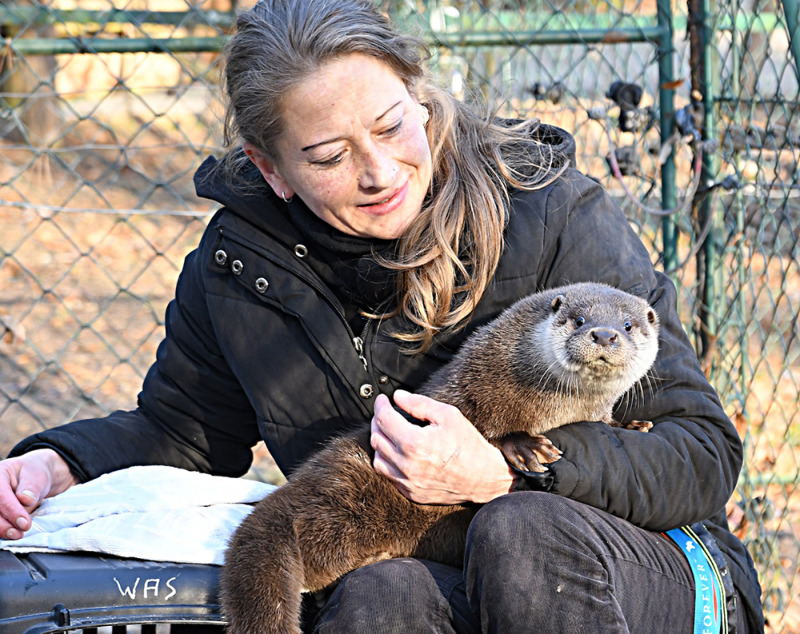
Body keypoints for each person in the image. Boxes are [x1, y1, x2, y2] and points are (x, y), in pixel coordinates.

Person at [0, 1, 763, 632]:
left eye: (394, 126)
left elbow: (700, 451)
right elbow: (182, 433)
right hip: (442, 578)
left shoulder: (551, 211)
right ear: (274, 170)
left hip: (646, 572)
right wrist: (56, 465)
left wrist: (501, 471)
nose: (379, 172)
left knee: (519, 531)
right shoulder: (239, 267)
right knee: (378, 596)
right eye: (329, 156)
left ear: (421, 97)